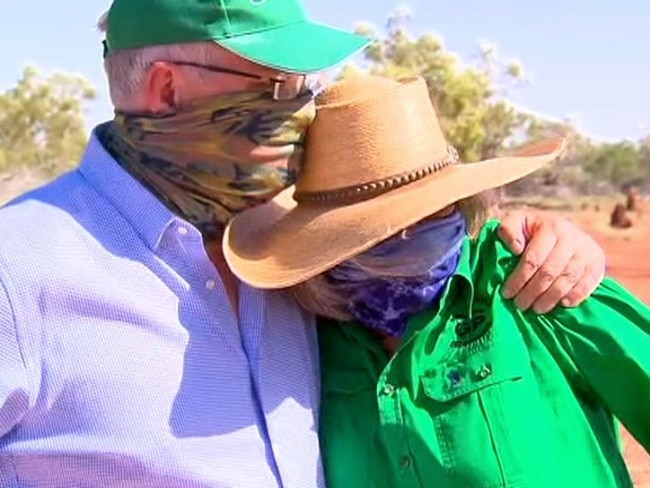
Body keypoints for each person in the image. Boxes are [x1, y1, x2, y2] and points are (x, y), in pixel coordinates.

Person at [0, 1, 606, 486]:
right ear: (166, 88)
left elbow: (411, 228)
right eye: (285, 88)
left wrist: (542, 242)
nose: (308, 113)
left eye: (311, 88)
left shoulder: (301, 262)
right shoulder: (18, 270)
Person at [223, 75, 650, 488]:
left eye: (427, 211)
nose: (408, 234)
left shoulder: (535, 278)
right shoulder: (306, 333)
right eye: (372, 231)